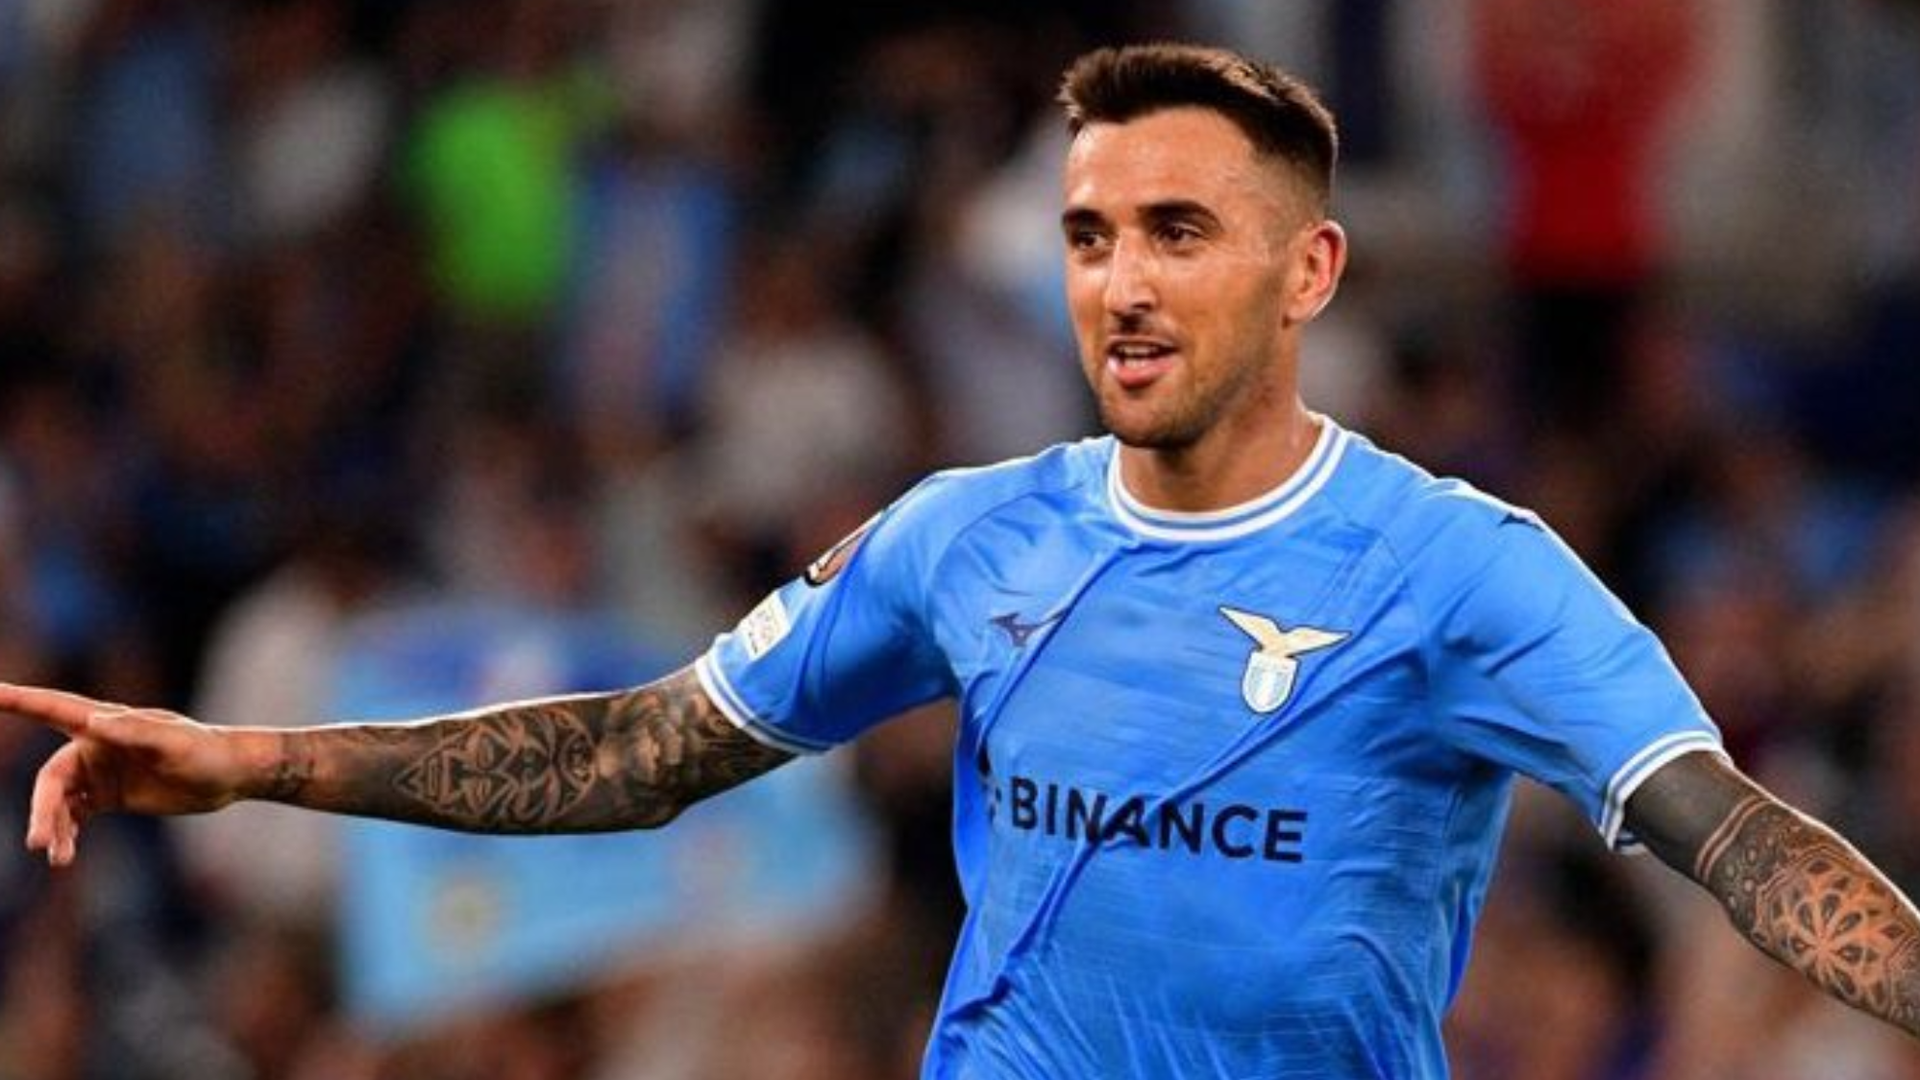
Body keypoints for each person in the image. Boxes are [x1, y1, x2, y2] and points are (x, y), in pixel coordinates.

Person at [5, 42, 1919, 1078]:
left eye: (1180, 232)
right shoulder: (964, 534)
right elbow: (644, 751)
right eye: (1091, 237)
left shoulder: (1464, 571)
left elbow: (1739, 841)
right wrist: (252, 762)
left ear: (1310, 272)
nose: (1123, 285)